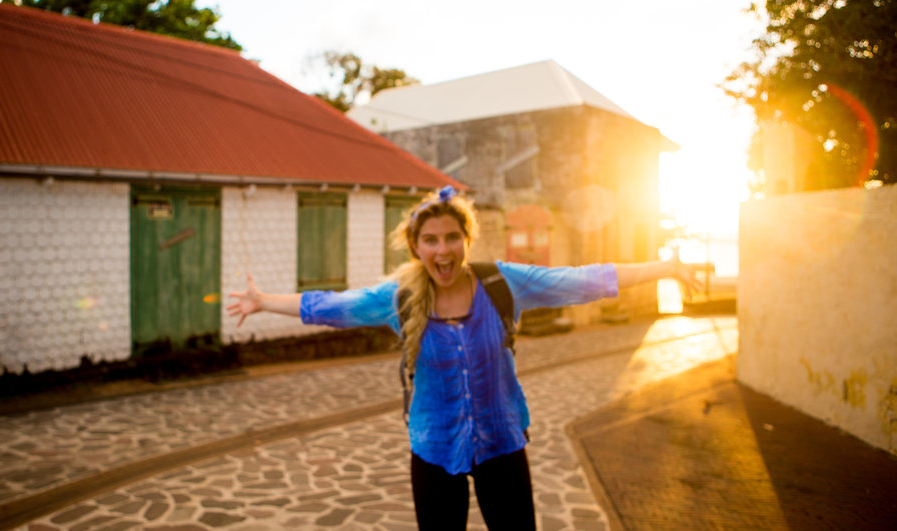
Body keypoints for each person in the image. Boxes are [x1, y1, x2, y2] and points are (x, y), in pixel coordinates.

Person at [227, 185, 700, 530]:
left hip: (502, 442)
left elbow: (580, 280)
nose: (443, 249)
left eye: (452, 237)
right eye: (430, 240)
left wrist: (667, 268)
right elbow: (335, 307)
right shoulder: (401, 298)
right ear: (416, 247)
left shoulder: (502, 283)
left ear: (466, 241)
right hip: (433, 448)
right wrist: (264, 301)